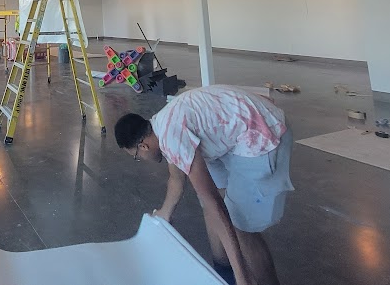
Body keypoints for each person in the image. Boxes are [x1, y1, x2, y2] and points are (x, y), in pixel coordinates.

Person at [114, 85, 293, 285]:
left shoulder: (171, 135)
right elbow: (176, 178)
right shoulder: (161, 125)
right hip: (240, 127)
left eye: (137, 157)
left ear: (143, 146)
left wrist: (242, 275)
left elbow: (214, 202)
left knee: (239, 224)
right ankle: (223, 274)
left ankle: (246, 278)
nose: (141, 159)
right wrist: (165, 212)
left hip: (262, 132)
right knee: (212, 205)